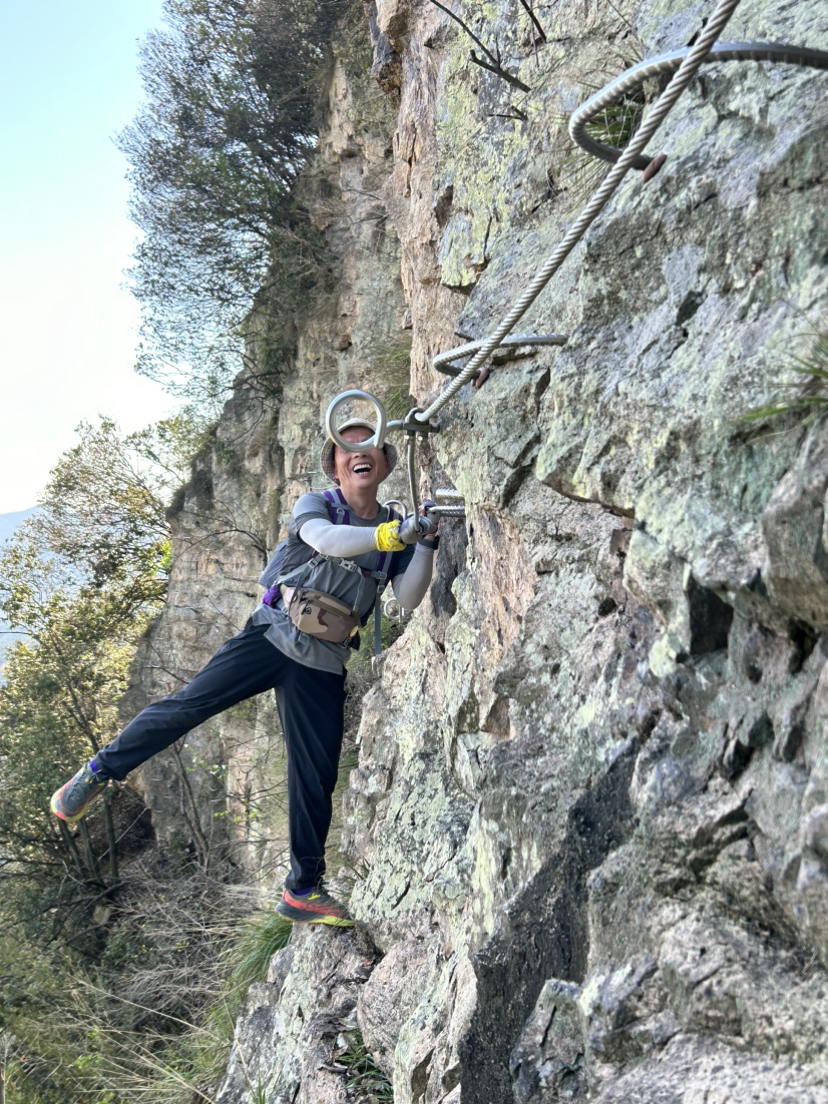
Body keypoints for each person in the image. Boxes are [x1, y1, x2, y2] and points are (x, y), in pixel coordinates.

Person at [50, 419, 439, 927]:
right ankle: (96, 774)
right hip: (270, 637)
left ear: (386, 461)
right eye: (347, 447)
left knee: (315, 777)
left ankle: (302, 890)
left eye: (369, 444)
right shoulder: (317, 505)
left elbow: (408, 597)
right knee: (188, 706)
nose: (358, 452)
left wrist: (425, 543)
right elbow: (324, 540)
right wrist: (391, 535)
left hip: (323, 662)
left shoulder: (399, 527)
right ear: (334, 465)